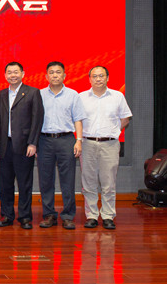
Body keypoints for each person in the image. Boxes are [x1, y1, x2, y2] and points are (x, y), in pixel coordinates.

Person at [79, 66, 132, 230]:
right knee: (88, 181)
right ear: (89, 79)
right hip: (87, 143)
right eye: (94, 76)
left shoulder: (117, 96)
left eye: (101, 76)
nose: (98, 79)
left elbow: (125, 118)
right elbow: (77, 120)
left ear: (107, 78)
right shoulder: (81, 97)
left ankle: (108, 216)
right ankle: (92, 216)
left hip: (110, 144)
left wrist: (114, 132)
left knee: (108, 182)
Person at [37, 61, 87, 230]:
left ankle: (68, 216)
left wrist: (79, 140)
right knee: (45, 180)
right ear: (46, 76)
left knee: (68, 179)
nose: (55, 75)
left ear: (64, 75)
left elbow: (78, 119)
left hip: (66, 140)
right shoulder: (39, 95)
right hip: (44, 140)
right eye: (51, 72)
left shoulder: (73, 95)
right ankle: (49, 214)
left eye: (58, 72)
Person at [0, 62, 44, 230]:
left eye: (16, 72)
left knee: (24, 183)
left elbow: (37, 119)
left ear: (22, 74)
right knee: (5, 183)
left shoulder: (32, 93)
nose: (13, 75)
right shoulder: (1, 94)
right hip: (5, 145)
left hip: (24, 145)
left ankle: (25, 216)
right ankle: (7, 215)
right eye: (9, 72)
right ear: (5, 75)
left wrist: (33, 143)